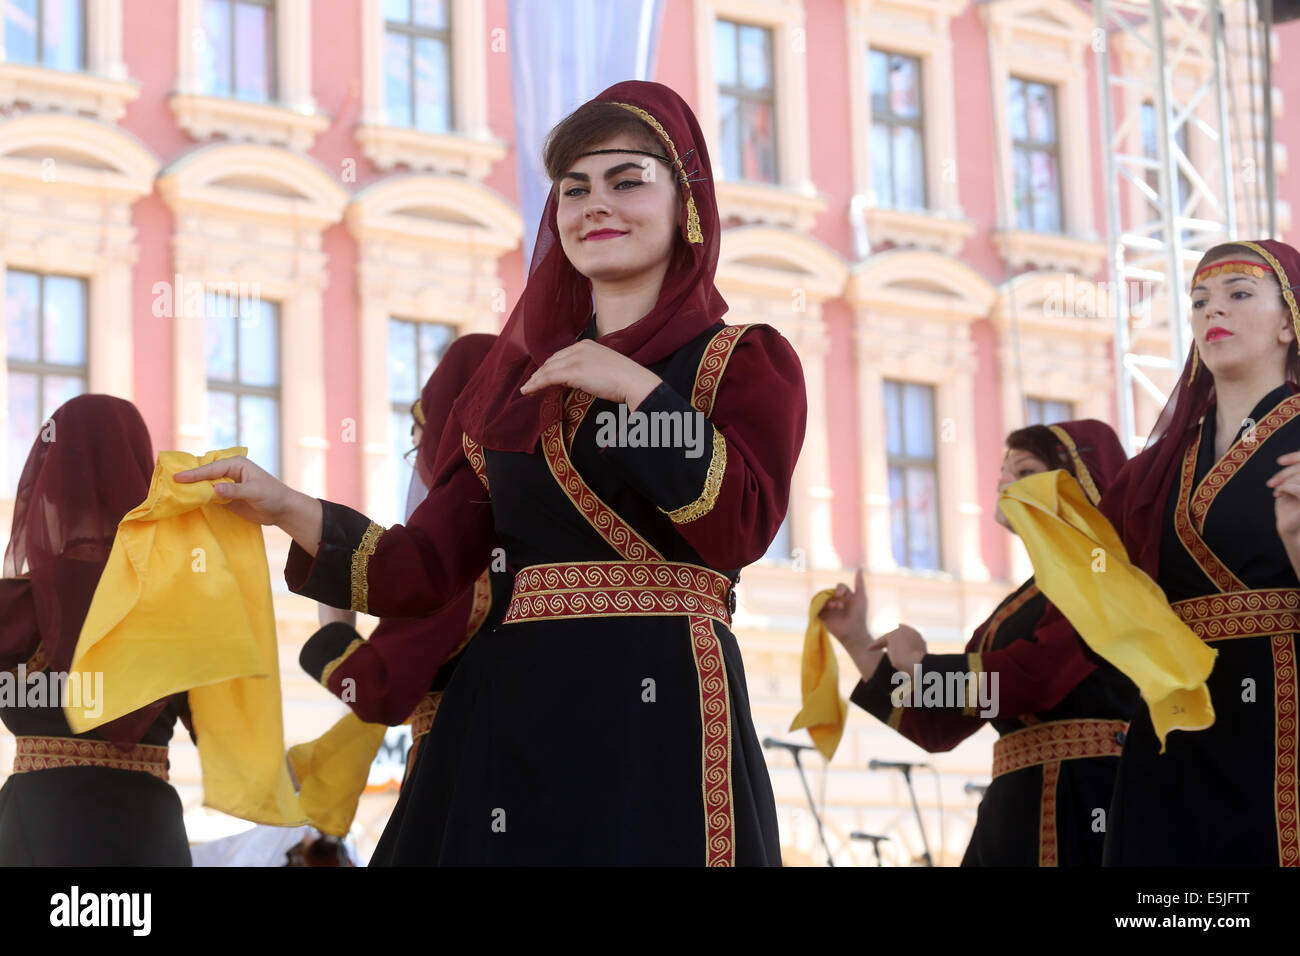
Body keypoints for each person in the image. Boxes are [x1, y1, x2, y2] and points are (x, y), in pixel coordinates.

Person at [176, 80, 805, 866]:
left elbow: (738, 528)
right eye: (573, 189)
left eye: (626, 180)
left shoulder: (742, 360)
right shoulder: (513, 390)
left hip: (664, 706)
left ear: (686, 200)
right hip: (511, 717)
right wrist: (287, 507)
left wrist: (641, 394)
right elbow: (424, 568)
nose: (594, 205)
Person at [1066, 239, 1300, 866]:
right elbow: (1107, 591)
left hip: (1281, 704)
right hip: (1175, 714)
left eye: (1239, 294)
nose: (1210, 310)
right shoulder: (1159, 468)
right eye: (1198, 300)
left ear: (1289, 321)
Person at [821, 420, 1137, 866]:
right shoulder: (1018, 606)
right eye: (1002, 474)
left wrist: (923, 667)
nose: (1006, 483)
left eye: (1025, 471)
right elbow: (940, 725)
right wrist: (858, 639)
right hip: (1014, 814)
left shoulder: (1107, 576)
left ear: (1083, 482)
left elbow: (1036, 677)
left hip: (1086, 803)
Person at [298, 333, 512, 864]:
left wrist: (336, 626)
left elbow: (376, 689)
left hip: (459, 787)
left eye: (423, 437)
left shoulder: (461, 558)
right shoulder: (544, 540)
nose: (418, 460)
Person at [0, 395, 191, 865]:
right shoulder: (182, 609)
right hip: (149, 835)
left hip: (38, 833)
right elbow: (223, 733)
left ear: (49, 482)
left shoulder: (12, 605)